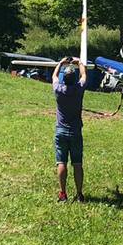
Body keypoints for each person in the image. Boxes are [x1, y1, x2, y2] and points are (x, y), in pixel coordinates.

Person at [52, 56, 87, 202]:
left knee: (62, 163)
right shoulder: (79, 89)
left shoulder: (58, 89)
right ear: (74, 79)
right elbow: (84, 75)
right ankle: (79, 194)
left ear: (63, 79)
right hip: (75, 132)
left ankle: (63, 194)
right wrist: (80, 63)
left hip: (61, 131)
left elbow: (54, 76)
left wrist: (60, 63)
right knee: (77, 164)